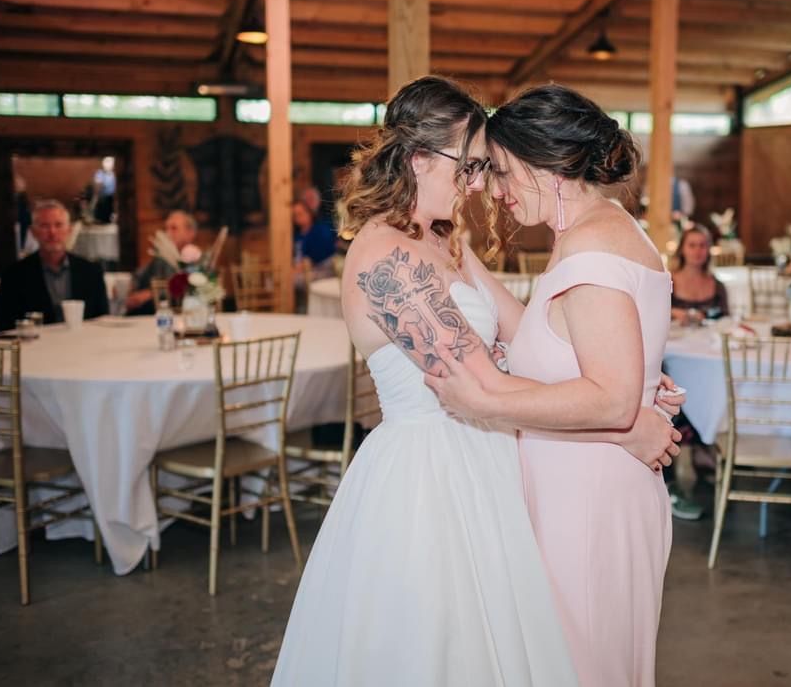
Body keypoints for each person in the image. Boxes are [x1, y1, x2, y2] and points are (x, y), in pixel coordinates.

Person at [271, 76, 679, 686]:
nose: (480, 184)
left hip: (493, 463)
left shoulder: (446, 243)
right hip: (432, 481)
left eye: (487, 168)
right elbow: (480, 384)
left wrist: (631, 376)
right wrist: (623, 422)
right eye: (471, 167)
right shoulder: (388, 257)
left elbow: (528, 337)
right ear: (417, 160)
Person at [427, 84, 675, 687]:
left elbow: (612, 398)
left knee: (579, 666)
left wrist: (488, 402)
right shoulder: (601, 228)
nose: (494, 189)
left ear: (550, 167)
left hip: (586, 502)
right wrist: (464, 261)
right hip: (587, 485)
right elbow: (545, 335)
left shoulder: (590, 245)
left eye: (505, 171)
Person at [0, 199, 108, 330]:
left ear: (69, 230)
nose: (52, 232)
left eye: (58, 225)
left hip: (83, 345)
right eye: (44, 226)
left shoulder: (91, 272)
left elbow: (103, 321)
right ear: (33, 232)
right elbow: (7, 327)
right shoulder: (14, 276)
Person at [125, 210, 198, 315]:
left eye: (174, 228)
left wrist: (151, 294)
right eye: (166, 229)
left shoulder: (195, 259)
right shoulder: (161, 257)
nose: (168, 234)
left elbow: (189, 289)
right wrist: (131, 286)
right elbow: (139, 275)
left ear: (190, 233)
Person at [670, 224, 728, 324]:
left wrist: (705, 314)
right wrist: (674, 313)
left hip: (709, 338)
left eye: (702, 245)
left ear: (708, 250)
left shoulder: (718, 285)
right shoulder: (668, 282)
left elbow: (723, 313)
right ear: (682, 249)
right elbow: (653, 311)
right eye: (692, 245)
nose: (697, 251)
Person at [290, 197, 337, 284]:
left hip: (320, 269)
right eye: (295, 215)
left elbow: (324, 252)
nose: (299, 218)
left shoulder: (320, 230)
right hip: (301, 269)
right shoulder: (297, 235)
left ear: (309, 212)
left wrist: (303, 265)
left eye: (301, 213)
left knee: (290, 279)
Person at [92, 156, 116, 224]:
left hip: (110, 196)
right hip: (102, 196)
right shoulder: (100, 173)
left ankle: (107, 220)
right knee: (102, 210)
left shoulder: (112, 174)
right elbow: (97, 185)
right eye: (107, 164)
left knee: (109, 210)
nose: (108, 166)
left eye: (110, 164)